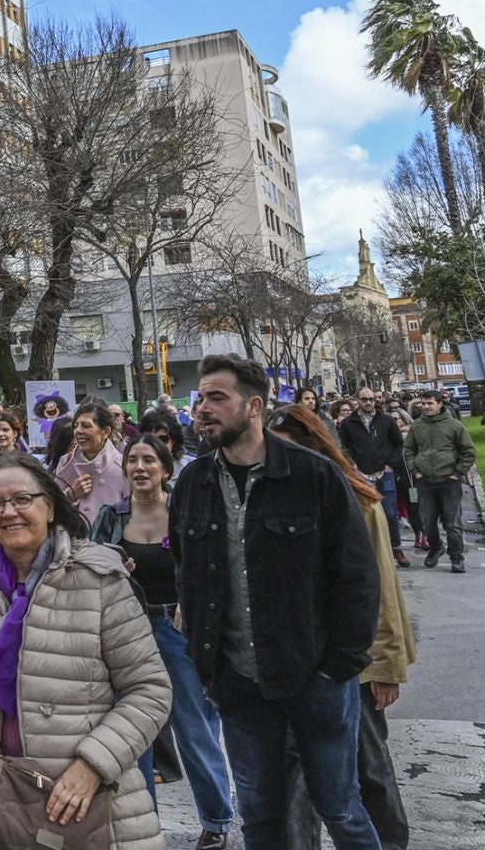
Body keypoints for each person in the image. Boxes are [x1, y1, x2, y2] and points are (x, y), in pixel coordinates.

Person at [170, 355, 382, 848]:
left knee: (341, 809)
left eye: (216, 397)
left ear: (254, 407)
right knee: (260, 816)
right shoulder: (193, 484)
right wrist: (209, 665)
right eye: (201, 398)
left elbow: (356, 578)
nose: (203, 408)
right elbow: (188, 573)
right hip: (239, 683)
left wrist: (339, 666)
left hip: (316, 678)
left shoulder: (315, 477)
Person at [0, 453, 170, 850]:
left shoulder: (99, 582)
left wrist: (92, 766)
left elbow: (150, 689)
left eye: (23, 499)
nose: (10, 513)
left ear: (51, 505)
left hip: (91, 807)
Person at [270, 407, 417, 850]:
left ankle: (389, 842)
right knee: (296, 769)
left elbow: (382, 591)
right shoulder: (267, 499)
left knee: (368, 765)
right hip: (297, 663)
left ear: (315, 447)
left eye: (288, 448)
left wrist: (385, 665)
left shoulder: (358, 501)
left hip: (354, 662)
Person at [92, 438, 235, 850]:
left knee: (194, 728)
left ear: (166, 469)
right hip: (128, 630)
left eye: (149, 460)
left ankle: (216, 821)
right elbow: (88, 565)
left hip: (178, 631)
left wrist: (193, 603)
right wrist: (114, 564)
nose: (139, 467)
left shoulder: (184, 512)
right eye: (132, 460)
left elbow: (213, 565)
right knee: (135, 730)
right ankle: (141, 822)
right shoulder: (110, 516)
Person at [404, 389, 477, 572]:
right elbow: (408, 451)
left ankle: (456, 557)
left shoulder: (454, 425)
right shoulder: (417, 426)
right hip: (425, 481)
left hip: (449, 480)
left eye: (430, 403)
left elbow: (468, 452)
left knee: (452, 522)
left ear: (439, 404)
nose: (426, 407)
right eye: (423, 403)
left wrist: (457, 473)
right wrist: (416, 471)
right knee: (427, 521)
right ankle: (436, 548)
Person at [339, 391, 414, 568]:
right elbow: (345, 448)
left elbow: (398, 444)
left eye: (371, 399)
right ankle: (369, 551)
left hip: (384, 472)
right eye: (364, 399)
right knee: (365, 513)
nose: (368, 403)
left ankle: (396, 548)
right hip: (362, 474)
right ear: (357, 400)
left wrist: (391, 464)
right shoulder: (349, 423)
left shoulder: (386, 420)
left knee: (390, 512)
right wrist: (352, 466)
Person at [53, 401, 129, 523]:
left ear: (105, 432)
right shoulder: (66, 462)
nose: (78, 431)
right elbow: (51, 507)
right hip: (74, 538)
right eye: (76, 426)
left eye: (86, 426)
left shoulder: (123, 465)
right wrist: (70, 495)